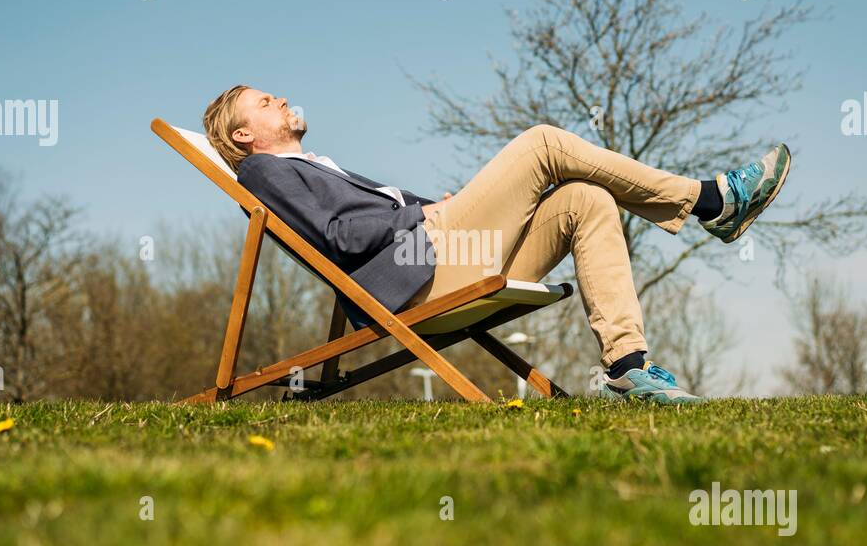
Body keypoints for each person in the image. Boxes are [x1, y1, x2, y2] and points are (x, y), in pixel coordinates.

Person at [202, 85, 790, 404]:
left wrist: (436, 206)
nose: (280, 98)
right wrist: (427, 212)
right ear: (243, 135)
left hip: (443, 257)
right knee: (542, 142)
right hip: (421, 274)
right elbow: (339, 237)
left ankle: (628, 367)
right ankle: (712, 201)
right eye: (263, 101)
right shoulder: (262, 174)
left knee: (587, 199)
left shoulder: (309, 163)